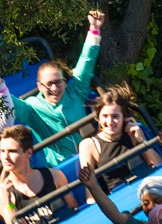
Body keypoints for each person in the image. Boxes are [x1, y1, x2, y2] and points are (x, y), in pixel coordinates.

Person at [6, 10, 105, 167]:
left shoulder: (75, 91)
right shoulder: (32, 107)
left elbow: (86, 62)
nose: (54, 88)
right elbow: (9, 102)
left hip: (92, 156)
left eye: (58, 82)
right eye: (49, 84)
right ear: (39, 86)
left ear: (65, 81)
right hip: (64, 166)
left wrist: (94, 29)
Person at [0, 125, 78, 224]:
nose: (5, 157)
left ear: (28, 153)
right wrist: (9, 203)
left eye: (12, 151)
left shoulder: (55, 176)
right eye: (2, 151)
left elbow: (74, 209)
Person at [77, 83, 162, 197]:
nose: (110, 121)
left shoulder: (133, 133)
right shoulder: (89, 145)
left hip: (148, 188)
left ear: (124, 117)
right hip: (118, 197)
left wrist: (141, 141)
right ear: (98, 118)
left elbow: (159, 165)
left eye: (115, 116)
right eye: (105, 116)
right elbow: (90, 186)